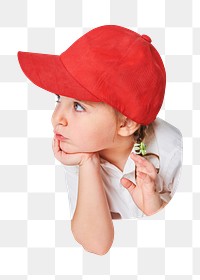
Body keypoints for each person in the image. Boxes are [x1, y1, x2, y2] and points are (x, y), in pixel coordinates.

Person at [17, 24, 183, 255]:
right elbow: (96, 245)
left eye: (78, 106)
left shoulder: (172, 147)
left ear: (125, 124)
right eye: (58, 99)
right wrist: (88, 164)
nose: (57, 118)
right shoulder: (81, 150)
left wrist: (155, 207)